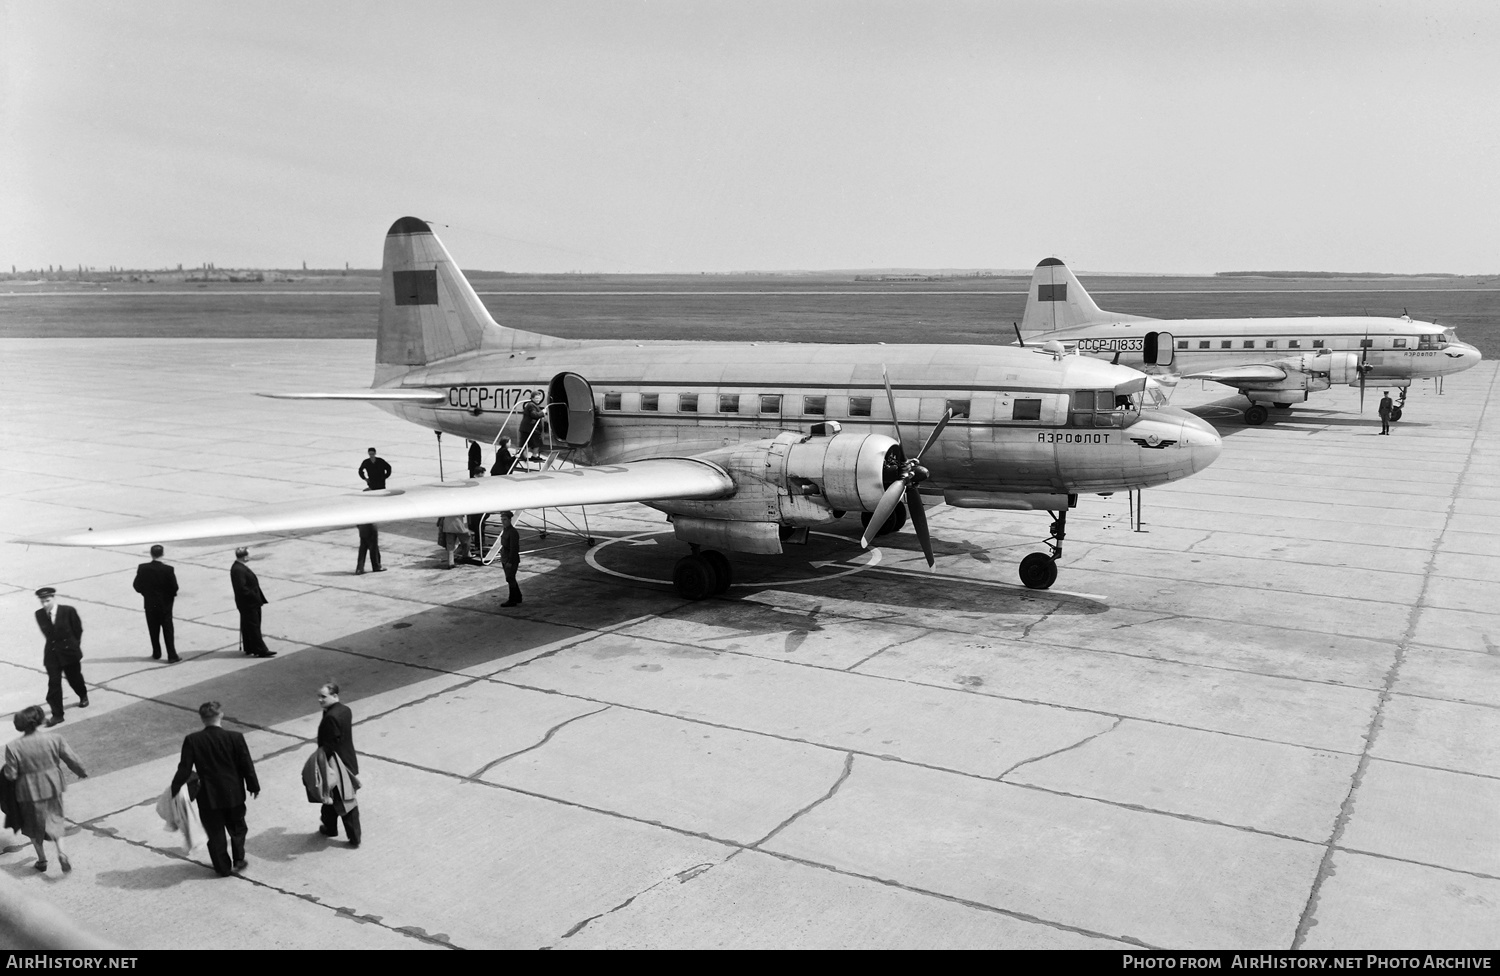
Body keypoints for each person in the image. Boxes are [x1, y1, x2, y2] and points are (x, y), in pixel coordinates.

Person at [170, 701, 260, 877]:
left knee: (215, 832)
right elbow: (246, 765)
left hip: (208, 796)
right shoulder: (235, 737)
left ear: (202, 719)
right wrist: (253, 785)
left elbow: (184, 768)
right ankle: (239, 859)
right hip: (233, 793)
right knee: (237, 827)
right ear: (221, 715)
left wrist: (174, 789)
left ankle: (222, 867)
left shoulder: (193, 740)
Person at [3, 705, 87, 873]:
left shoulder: (13, 747)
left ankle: (42, 860)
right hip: (52, 785)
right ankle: (62, 853)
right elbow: (71, 758)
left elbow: (11, 775)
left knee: (32, 826)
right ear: (40, 719)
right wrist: (81, 771)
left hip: (27, 792)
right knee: (55, 819)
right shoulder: (55, 738)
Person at [314, 683, 361, 847]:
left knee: (345, 801)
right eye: (319, 696)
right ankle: (329, 827)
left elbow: (329, 745)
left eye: (323, 697)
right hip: (348, 760)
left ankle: (354, 837)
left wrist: (320, 762)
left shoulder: (330, 718)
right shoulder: (345, 710)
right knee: (331, 799)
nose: (320, 699)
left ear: (334, 696)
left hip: (337, 767)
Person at [33, 588, 88, 726]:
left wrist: (73, 646)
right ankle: (57, 715)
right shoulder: (39, 614)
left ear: (53, 598)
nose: (45, 604)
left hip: (69, 652)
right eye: (42, 601)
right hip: (52, 655)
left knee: (74, 679)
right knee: (54, 684)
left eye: (47, 600)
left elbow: (78, 630)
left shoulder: (68, 611)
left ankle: (83, 695)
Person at [132, 544, 180, 662]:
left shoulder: (143, 568)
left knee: (153, 629)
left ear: (151, 554)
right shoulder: (168, 569)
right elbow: (174, 587)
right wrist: (169, 598)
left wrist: (145, 594)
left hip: (150, 604)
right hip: (165, 605)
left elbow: (136, 585)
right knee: (167, 629)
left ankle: (156, 652)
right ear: (162, 554)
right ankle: (171, 655)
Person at [230, 548, 276, 658]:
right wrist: (254, 596)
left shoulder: (238, 567)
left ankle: (250, 646)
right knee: (254, 625)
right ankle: (260, 649)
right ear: (245, 557)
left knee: (247, 625)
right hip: (249, 603)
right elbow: (242, 588)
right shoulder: (238, 569)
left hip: (247, 603)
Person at [499, 511, 522, 607]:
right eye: (502, 520)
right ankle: (518, 597)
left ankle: (512, 599)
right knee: (510, 578)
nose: (503, 522)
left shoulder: (512, 532)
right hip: (505, 557)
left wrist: (510, 561)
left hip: (510, 558)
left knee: (510, 578)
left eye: (505, 520)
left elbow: (514, 548)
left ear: (509, 520)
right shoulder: (506, 530)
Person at [520, 392, 546, 462]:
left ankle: (529, 454)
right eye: (536, 398)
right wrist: (542, 412)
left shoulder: (532, 405)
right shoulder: (531, 405)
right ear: (532, 398)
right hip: (531, 428)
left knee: (530, 442)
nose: (538, 400)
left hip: (529, 428)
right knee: (536, 442)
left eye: (539, 398)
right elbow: (534, 415)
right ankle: (533, 455)